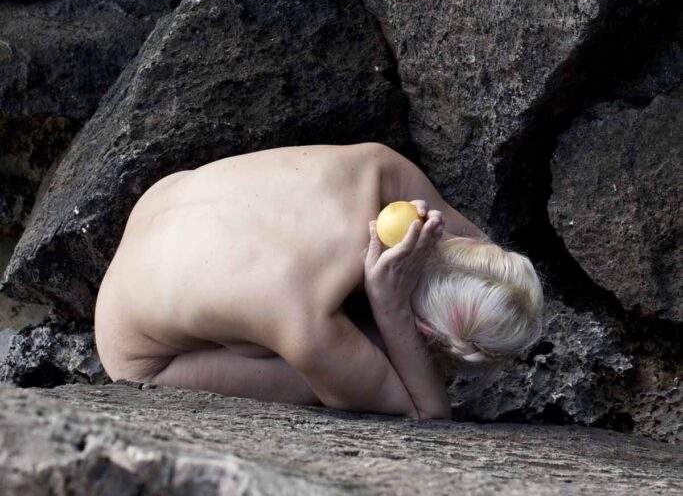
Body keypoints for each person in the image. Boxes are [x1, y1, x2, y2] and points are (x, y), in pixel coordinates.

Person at [95, 142, 543, 421]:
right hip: (136, 348)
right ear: (429, 330)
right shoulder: (310, 326)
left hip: (161, 200)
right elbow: (426, 410)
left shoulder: (382, 170)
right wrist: (389, 310)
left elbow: (475, 251)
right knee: (375, 352)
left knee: (332, 340)